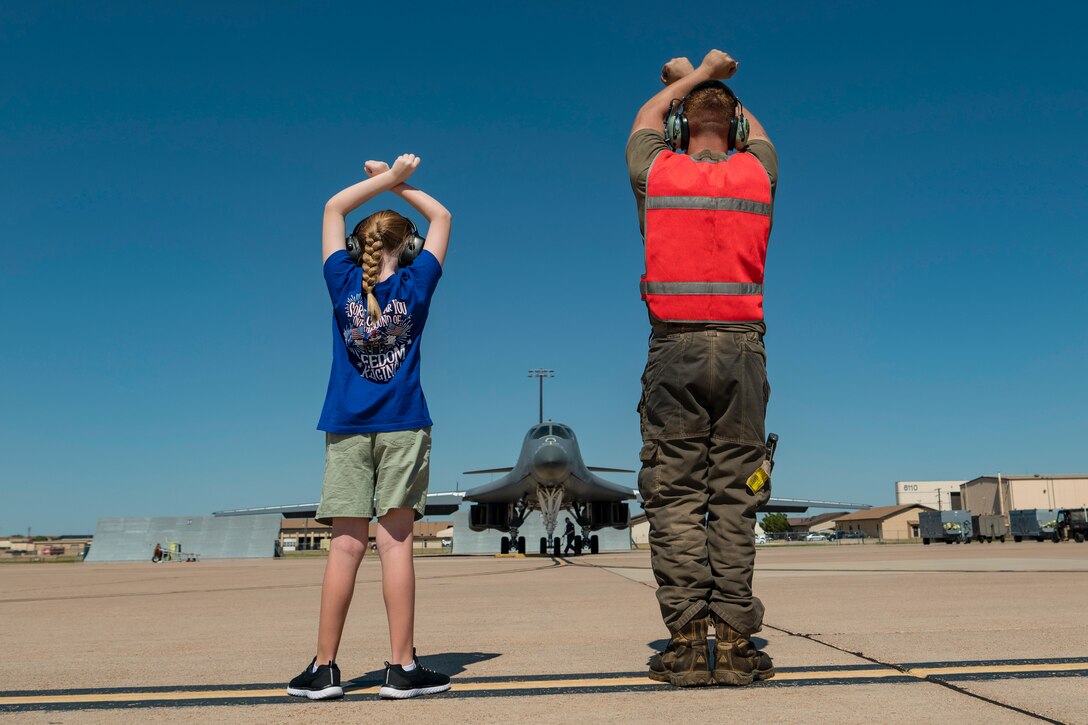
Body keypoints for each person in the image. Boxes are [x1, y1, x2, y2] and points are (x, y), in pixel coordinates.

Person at [626, 49, 778, 687]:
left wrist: (685, 77)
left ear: (680, 126)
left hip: (676, 349)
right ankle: (738, 645)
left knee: (676, 496)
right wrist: (715, 82)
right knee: (736, 500)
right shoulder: (757, 174)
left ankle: (689, 642)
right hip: (743, 350)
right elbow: (759, 134)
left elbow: (645, 116)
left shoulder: (657, 171)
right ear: (737, 126)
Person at [287, 153, 452, 701]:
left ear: (357, 248)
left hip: (346, 426)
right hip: (404, 425)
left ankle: (323, 669)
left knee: (343, 547)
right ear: (407, 248)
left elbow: (334, 205)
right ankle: (401, 669)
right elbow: (444, 217)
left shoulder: (340, 282)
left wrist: (381, 180)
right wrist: (403, 183)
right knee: (397, 545)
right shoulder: (417, 283)